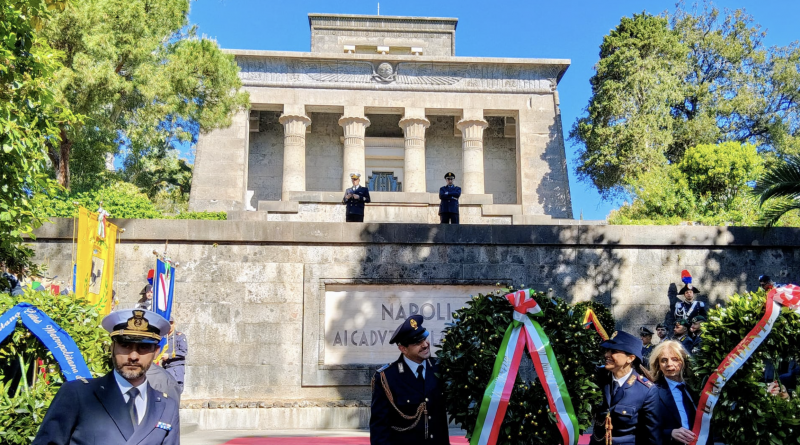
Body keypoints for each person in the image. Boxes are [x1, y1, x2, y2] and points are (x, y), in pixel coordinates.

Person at [32, 309, 180, 444]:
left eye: (144, 347)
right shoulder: (77, 394)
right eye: (125, 345)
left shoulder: (167, 406)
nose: (133, 356)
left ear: (156, 352)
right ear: (112, 348)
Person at [370, 315, 450, 444]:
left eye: (425, 338)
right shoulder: (387, 377)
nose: (425, 344)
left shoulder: (441, 368)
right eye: (417, 342)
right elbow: (379, 427)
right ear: (403, 349)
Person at [589, 330, 659, 445]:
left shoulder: (646, 390)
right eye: (607, 350)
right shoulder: (598, 378)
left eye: (614, 352)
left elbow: (651, 434)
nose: (607, 355)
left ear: (630, 358)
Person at [649, 340, 696, 444]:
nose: (669, 364)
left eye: (675, 359)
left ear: (683, 361)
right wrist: (670, 433)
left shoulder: (694, 388)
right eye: (664, 360)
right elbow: (645, 428)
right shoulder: (652, 391)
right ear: (658, 365)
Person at [159, 316, 188, 393]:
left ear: (174, 324)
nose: (170, 325)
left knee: (175, 391)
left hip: (176, 367)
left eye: (171, 323)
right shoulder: (163, 337)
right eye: (168, 323)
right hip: (165, 367)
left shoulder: (179, 336)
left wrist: (169, 356)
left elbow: (183, 352)